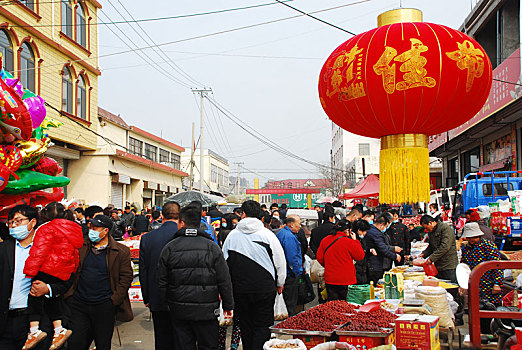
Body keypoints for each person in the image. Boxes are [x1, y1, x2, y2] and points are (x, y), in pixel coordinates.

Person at [157, 204, 234, 350]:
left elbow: (161, 280)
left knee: (183, 345)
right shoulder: (212, 247)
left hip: (179, 309)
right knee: (209, 345)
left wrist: (166, 302)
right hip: (207, 310)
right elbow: (224, 279)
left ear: (182, 223)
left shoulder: (170, 247)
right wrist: (228, 305)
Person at [0, 205, 69, 350]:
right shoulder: (4, 249)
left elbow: (65, 280)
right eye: (10, 222)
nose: (13, 226)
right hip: (6, 320)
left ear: (32, 222)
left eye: (18, 221)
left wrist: (48, 289)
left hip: (36, 319)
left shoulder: (49, 248)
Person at [222, 200, 286, 350]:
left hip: (240, 289)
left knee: (245, 324)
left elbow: (224, 264)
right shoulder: (268, 235)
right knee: (263, 325)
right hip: (265, 289)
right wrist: (280, 283)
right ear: (261, 217)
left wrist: (224, 289)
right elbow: (279, 261)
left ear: (242, 214)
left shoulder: (232, 236)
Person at [65, 214, 133, 350]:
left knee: (102, 343)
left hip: (104, 305)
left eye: (96, 228)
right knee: (76, 342)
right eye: (91, 227)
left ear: (105, 231)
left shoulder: (120, 251)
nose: (92, 230)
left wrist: (114, 300)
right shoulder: (81, 246)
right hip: (79, 304)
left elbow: (126, 277)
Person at [22, 202, 83, 350]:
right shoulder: (73, 229)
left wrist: (30, 272)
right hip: (63, 272)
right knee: (53, 300)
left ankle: (34, 330)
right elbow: (75, 255)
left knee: (35, 296)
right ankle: (59, 330)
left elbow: (39, 251)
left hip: (47, 268)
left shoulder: (46, 228)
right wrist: (71, 270)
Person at [139, 202, 180, 350]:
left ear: (162, 216)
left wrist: (147, 296)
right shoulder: (184, 235)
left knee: (162, 337)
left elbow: (143, 270)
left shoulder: (148, 238)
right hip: (182, 296)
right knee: (181, 337)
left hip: (156, 294)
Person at [316, 219, 365, 301]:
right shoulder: (349, 242)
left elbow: (319, 257)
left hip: (330, 278)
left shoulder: (325, 240)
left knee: (333, 305)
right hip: (346, 279)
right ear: (347, 230)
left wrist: (329, 265)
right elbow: (360, 256)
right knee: (345, 306)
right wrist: (355, 241)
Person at [460, 222, 503, 305]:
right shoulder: (466, 248)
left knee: (491, 308)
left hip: (489, 282)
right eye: (469, 238)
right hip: (475, 284)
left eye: (473, 238)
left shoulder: (488, 246)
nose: (471, 240)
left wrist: (497, 283)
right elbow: (464, 265)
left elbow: (497, 265)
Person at [277, 215, 303, 316]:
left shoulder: (282, 233)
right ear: (291, 224)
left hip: (284, 273)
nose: (300, 226)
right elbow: (292, 258)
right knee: (290, 303)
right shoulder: (289, 237)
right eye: (299, 224)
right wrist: (297, 272)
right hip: (289, 275)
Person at [420, 215, 458, 282]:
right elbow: (431, 246)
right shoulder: (431, 232)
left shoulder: (445, 228)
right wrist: (424, 254)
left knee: (450, 287)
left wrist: (432, 258)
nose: (426, 230)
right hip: (438, 266)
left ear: (430, 223)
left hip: (448, 265)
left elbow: (445, 247)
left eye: (427, 228)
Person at [365, 214, 401, 284]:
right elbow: (383, 249)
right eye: (385, 226)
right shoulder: (376, 234)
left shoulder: (370, 229)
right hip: (374, 264)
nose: (385, 229)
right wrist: (395, 256)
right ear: (381, 225)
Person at [353, 219, 372, 285]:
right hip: (357, 270)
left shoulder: (362, 239)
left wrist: (369, 250)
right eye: (365, 231)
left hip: (363, 269)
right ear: (359, 230)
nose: (365, 233)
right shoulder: (353, 239)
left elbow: (364, 249)